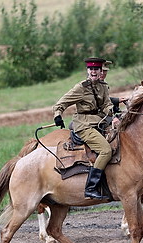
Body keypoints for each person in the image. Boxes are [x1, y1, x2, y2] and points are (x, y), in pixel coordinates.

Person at [53, 57, 116, 200]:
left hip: (100, 122)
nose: (93, 71)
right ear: (88, 71)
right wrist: (58, 115)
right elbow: (60, 103)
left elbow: (106, 104)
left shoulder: (103, 86)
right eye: (91, 69)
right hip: (84, 125)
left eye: (96, 69)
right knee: (106, 151)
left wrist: (111, 112)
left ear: (101, 71)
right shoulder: (81, 87)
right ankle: (91, 188)